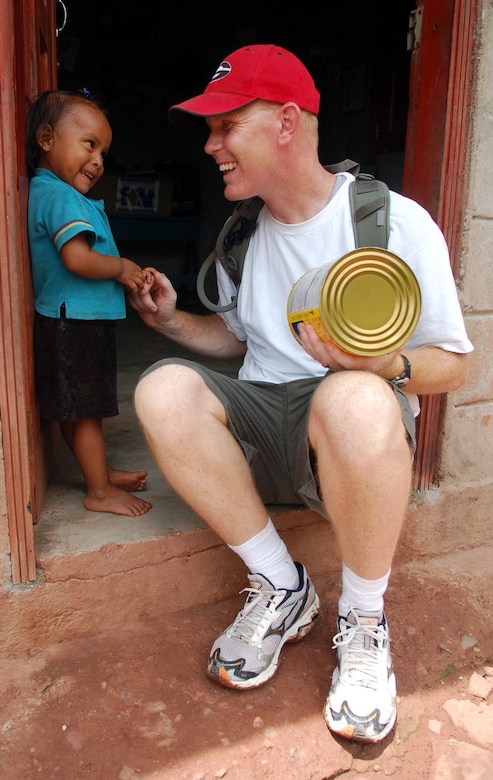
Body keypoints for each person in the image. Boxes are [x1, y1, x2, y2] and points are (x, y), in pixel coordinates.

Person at [129, 45, 473, 742]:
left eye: (225, 125)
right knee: (162, 389)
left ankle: (365, 619)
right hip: (265, 441)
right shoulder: (244, 233)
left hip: (343, 449)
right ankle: (283, 587)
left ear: (286, 124)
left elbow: (454, 366)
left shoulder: (390, 223)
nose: (211, 144)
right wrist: (171, 323)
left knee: (353, 396)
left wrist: (379, 365)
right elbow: (237, 338)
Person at [27, 90, 153, 517]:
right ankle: (99, 491)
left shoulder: (48, 190)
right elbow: (76, 258)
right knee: (87, 415)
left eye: (103, 151)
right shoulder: (62, 197)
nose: (98, 160)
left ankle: (98, 470)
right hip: (75, 322)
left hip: (65, 320)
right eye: (88, 144)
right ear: (46, 139)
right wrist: (119, 267)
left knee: (73, 408)